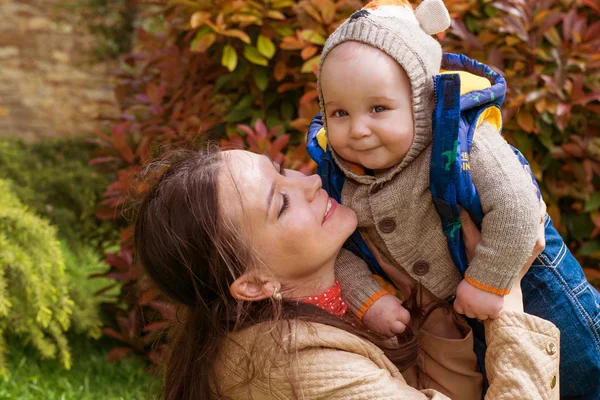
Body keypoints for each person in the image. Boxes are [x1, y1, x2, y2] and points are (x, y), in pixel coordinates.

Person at [306, 0, 600, 397]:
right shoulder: (341, 177)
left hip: (532, 287)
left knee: (583, 376)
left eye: (378, 108)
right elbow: (334, 249)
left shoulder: (463, 142)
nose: (358, 129)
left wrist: (486, 281)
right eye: (339, 113)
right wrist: (368, 299)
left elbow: (518, 208)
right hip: (455, 321)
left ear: (423, 102)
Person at [134, 148, 560, 399]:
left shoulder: (339, 292)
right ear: (253, 284)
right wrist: (507, 296)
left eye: (283, 170)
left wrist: (429, 307)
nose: (309, 182)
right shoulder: (294, 369)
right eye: (280, 204)